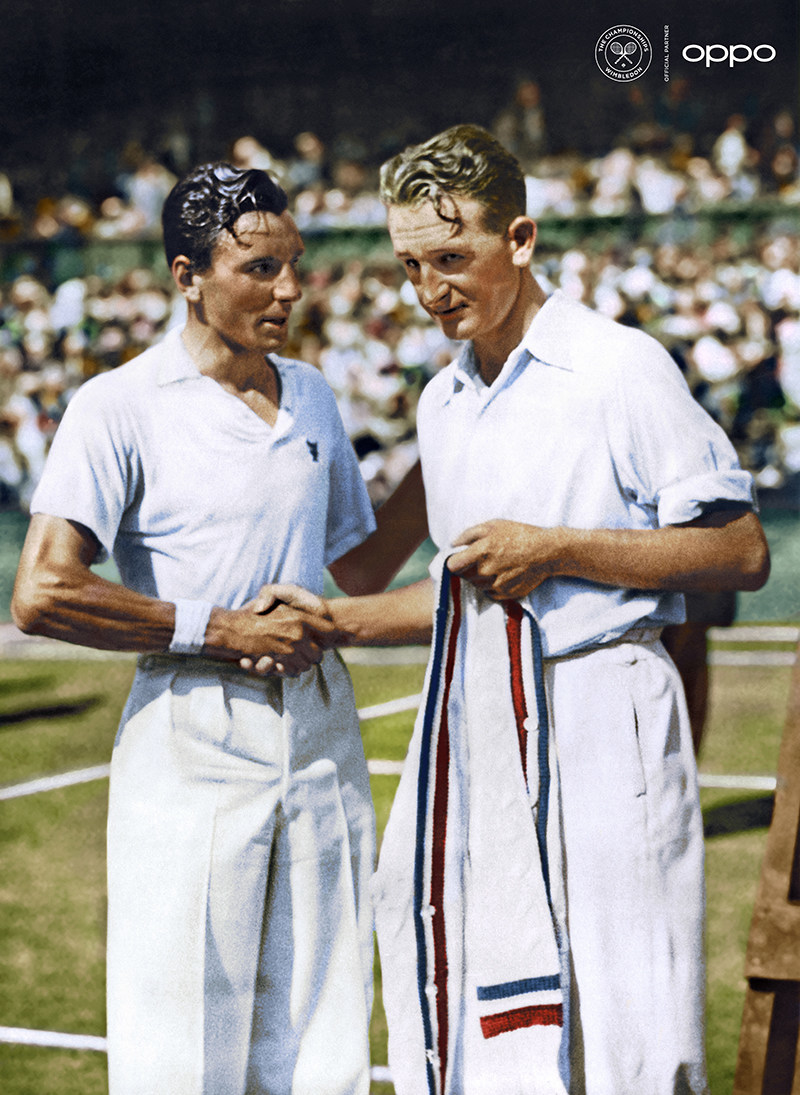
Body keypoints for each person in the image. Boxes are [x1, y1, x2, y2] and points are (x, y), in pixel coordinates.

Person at [322, 125, 770, 1095]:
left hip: (606, 711)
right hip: (483, 726)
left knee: (631, 1025)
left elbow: (738, 549)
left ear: (518, 241)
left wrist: (555, 548)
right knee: (505, 1028)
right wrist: (324, 622)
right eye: (409, 266)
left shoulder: (618, 367)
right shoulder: (440, 403)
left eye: (452, 258)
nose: (430, 288)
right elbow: (458, 598)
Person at [11, 161, 426, 1095]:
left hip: (321, 729)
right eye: (258, 269)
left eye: (295, 265)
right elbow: (42, 591)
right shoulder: (116, 405)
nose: (288, 290)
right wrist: (222, 625)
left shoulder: (314, 395)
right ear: (186, 275)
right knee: (181, 1048)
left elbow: (356, 570)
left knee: (321, 1039)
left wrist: (453, 439)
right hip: (191, 727)